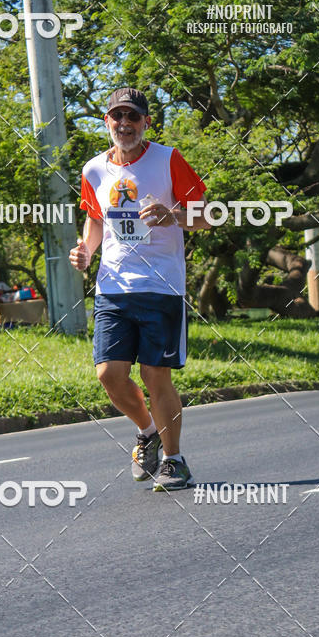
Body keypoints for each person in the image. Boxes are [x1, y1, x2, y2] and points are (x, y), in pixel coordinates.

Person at [69, 87, 211, 491]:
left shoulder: (168, 160)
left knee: (155, 375)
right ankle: (147, 431)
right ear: (107, 122)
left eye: (133, 117)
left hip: (161, 286)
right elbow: (95, 220)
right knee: (108, 374)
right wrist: (86, 251)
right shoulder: (93, 169)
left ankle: (174, 459)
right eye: (117, 117)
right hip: (113, 286)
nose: (125, 124)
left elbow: (208, 216)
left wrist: (174, 215)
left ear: (146, 122)